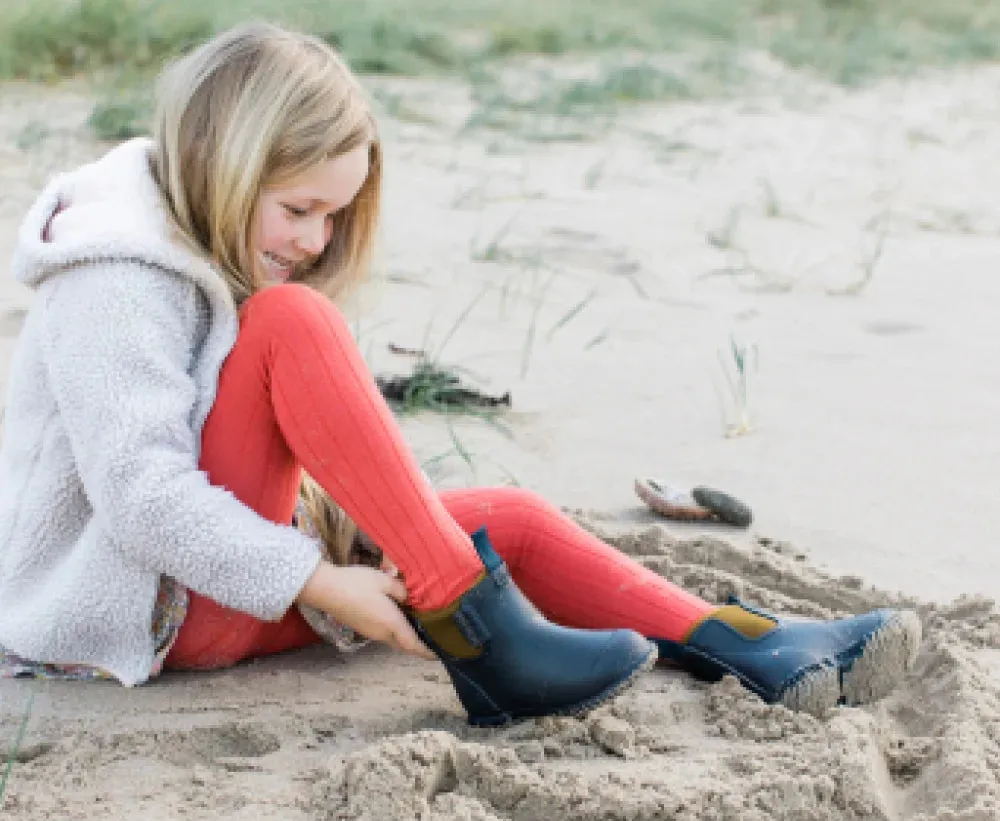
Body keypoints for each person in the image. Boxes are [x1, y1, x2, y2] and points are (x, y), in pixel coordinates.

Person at [0, 23, 920, 726]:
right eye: (299, 209)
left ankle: (749, 646)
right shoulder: (113, 275)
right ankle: (486, 642)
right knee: (293, 320)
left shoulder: (208, 237)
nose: (316, 240)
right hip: (147, 613)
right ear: (224, 166)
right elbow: (143, 499)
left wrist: (352, 536)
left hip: (231, 579)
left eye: (335, 214)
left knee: (509, 523)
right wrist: (324, 584)